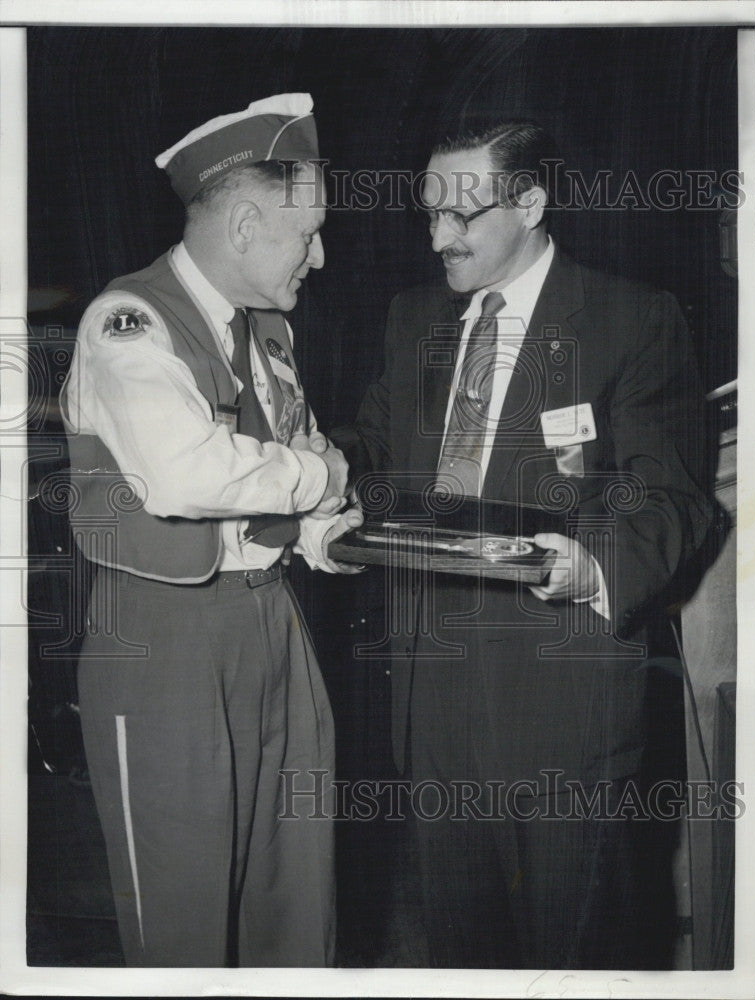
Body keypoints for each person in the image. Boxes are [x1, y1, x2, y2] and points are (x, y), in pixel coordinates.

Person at [333, 120, 716, 968]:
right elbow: (373, 451)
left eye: (462, 216)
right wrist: (297, 470)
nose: (439, 237)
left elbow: (672, 497)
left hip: (562, 699)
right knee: (464, 955)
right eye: (428, 213)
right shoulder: (411, 318)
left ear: (532, 202)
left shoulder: (631, 317)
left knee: (578, 948)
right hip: (431, 698)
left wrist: (594, 563)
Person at [60, 93, 361, 968]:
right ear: (241, 224)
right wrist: (322, 476)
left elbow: (270, 469)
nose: (321, 254)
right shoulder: (129, 322)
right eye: (306, 234)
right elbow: (186, 473)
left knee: (295, 893)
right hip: (164, 645)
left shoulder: (270, 332)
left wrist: (316, 530)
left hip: (274, 624)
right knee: (183, 920)